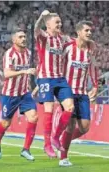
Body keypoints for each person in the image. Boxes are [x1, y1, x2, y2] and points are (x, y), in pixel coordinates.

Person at [55, 20, 98, 166]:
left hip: (82, 93)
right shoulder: (67, 47)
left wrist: (96, 85)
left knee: (85, 127)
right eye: (86, 30)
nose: (89, 33)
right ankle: (63, 157)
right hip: (68, 92)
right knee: (70, 125)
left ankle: (62, 142)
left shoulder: (91, 48)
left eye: (90, 31)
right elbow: (56, 63)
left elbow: (93, 67)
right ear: (78, 32)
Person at [0, 28, 38, 161]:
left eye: (24, 36)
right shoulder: (9, 54)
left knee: (34, 117)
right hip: (10, 94)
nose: (24, 39)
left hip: (24, 93)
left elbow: (28, 71)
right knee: (6, 123)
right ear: (14, 40)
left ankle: (26, 149)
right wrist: (24, 72)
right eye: (20, 37)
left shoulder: (28, 53)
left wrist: (33, 73)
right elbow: (7, 74)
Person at [33, 10, 74, 158]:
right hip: (46, 79)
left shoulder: (63, 38)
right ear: (48, 25)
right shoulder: (44, 37)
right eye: (57, 22)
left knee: (70, 107)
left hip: (60, 79)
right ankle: (47, 145)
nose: (60, 24)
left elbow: (76, 42)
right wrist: (41, 18)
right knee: (48, 109)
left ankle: (55, 136)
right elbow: (36, 29)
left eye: (60, 22)